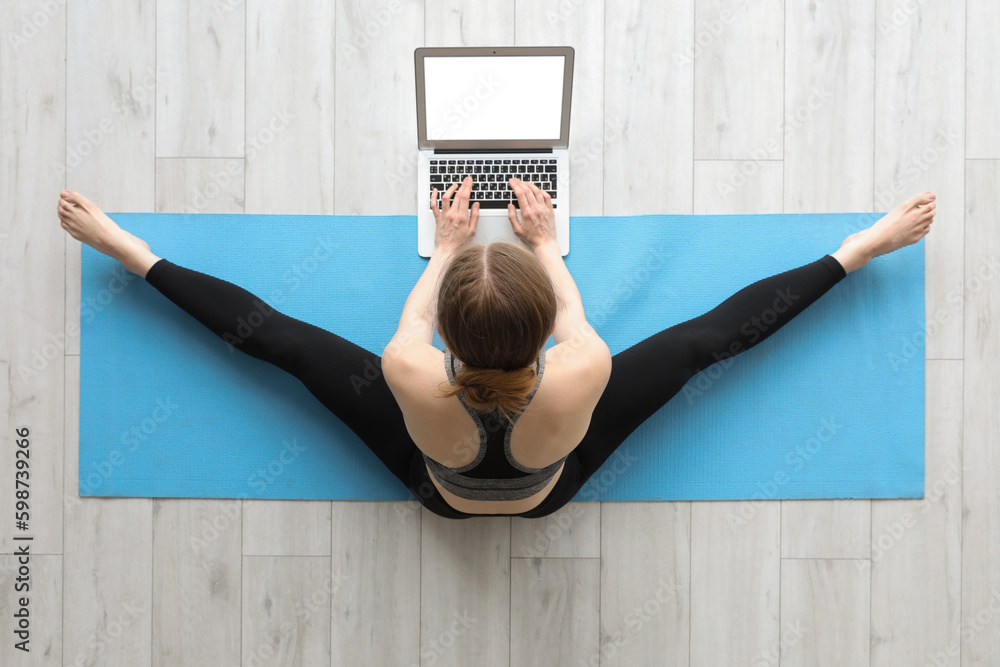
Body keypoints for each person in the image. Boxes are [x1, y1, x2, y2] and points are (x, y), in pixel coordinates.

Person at [57, 177, 936, 519]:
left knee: (283, 347)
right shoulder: (581, 369)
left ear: (447, 333)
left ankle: (130, 251)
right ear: (544, 333)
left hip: (435, 479)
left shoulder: (410, 371)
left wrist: (445, 249)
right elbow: (666, 325)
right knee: (704, 344)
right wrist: (546, 241)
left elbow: (312, 333)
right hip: (553, 477)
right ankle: (862, 248)